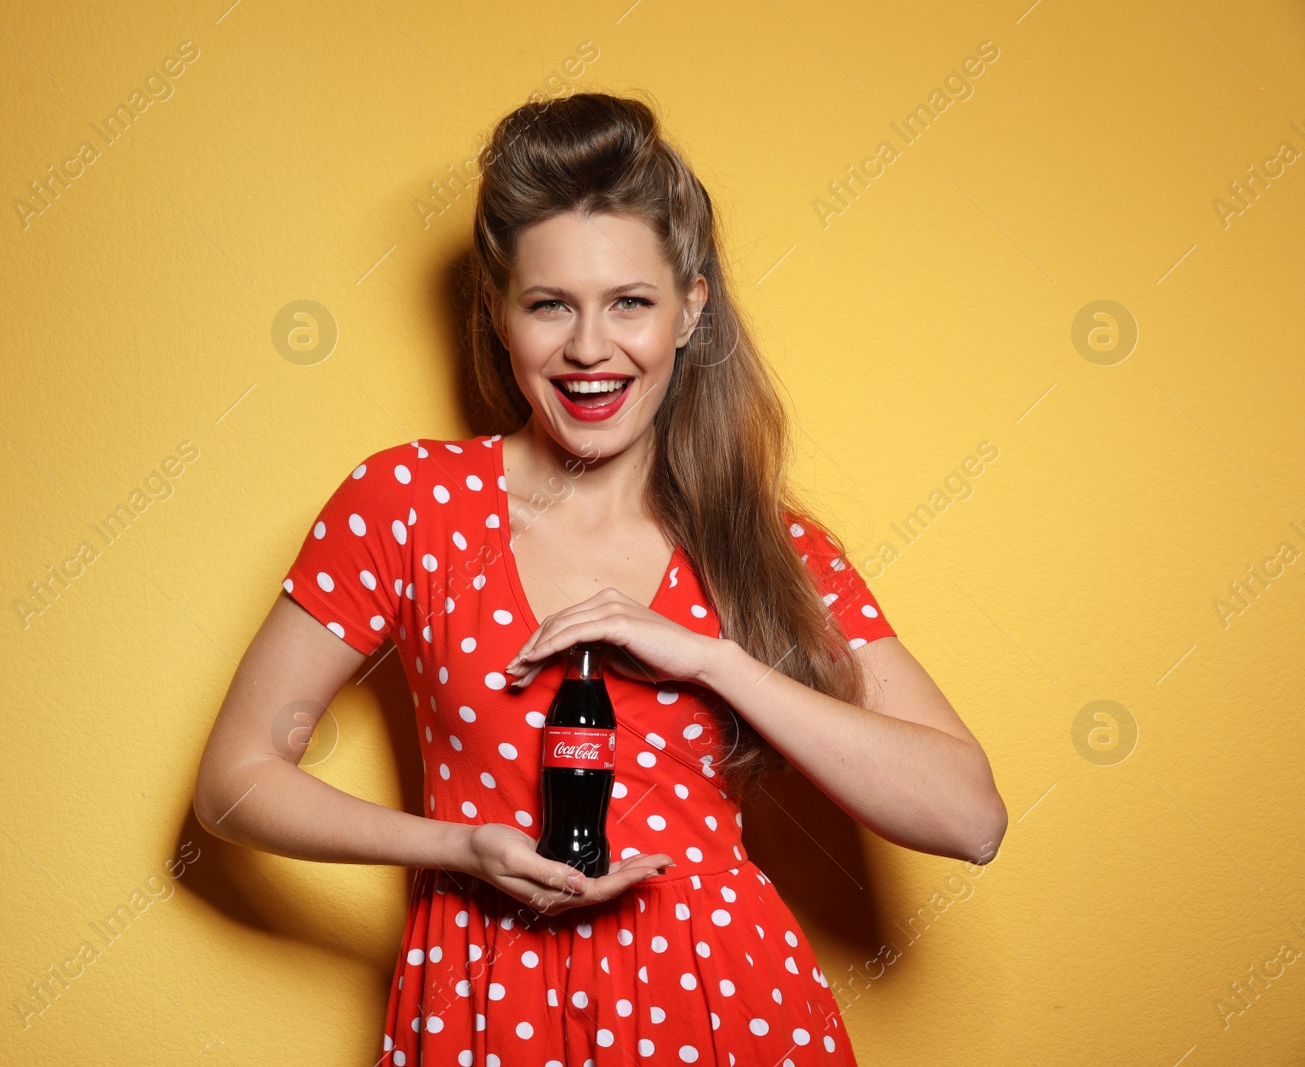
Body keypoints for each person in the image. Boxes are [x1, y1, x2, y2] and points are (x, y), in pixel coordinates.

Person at [194, 90, 1007, 1065]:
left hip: (730, 1010)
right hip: (487, 1000)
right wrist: (458, 848)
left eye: (630, 301)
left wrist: (712, 658)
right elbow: (234, 781)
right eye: (550, 304)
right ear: (497, 310)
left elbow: (969, 817)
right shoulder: (406, 503)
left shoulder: (761, 543)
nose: (590, 348)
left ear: (689, 308)